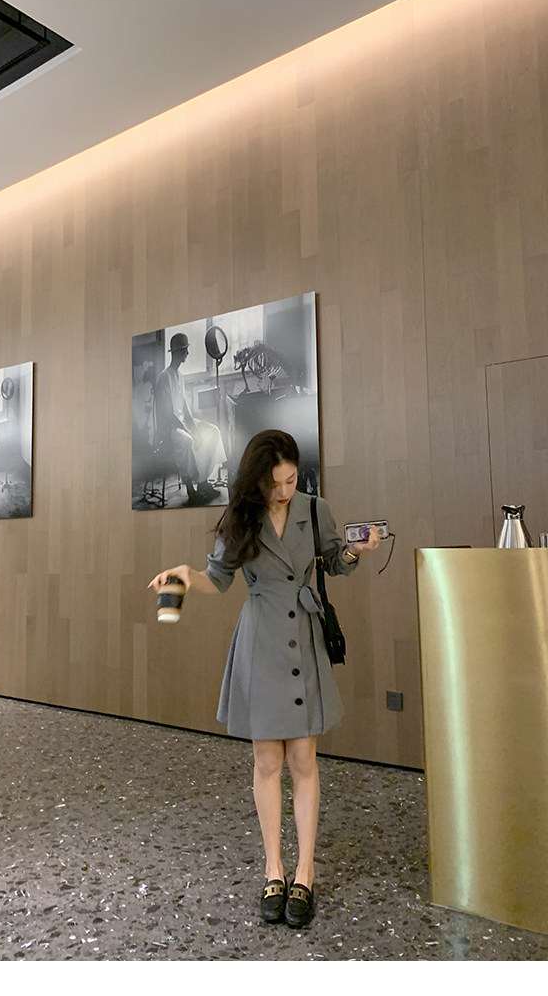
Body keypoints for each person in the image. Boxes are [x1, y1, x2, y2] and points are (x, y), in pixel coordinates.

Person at [148, 429, 379, 927]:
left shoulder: (315, 509)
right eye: (275, 484)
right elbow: (218, 579)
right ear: (256, 481)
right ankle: (274, 868)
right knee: (267, 760)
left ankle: (305, 872)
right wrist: (186, 575)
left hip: (304, 634)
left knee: (303, 759)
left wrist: (356, 551)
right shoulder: (240, 518)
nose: (284, 491)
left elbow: (335, 562)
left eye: (291, 480)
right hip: (261, 639)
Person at [153, 332, 226, 505]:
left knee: (212, 431)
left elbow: (185, 409)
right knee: (187, 440)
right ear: (177, 352)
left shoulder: (180, 376)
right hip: (170, 427)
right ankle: (190, 489)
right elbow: (170, 414)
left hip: (182, 422)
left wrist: (194, 427)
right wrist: (191, 432)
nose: (187, 353)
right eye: (185, 350)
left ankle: (203, 482)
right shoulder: (165, 376)